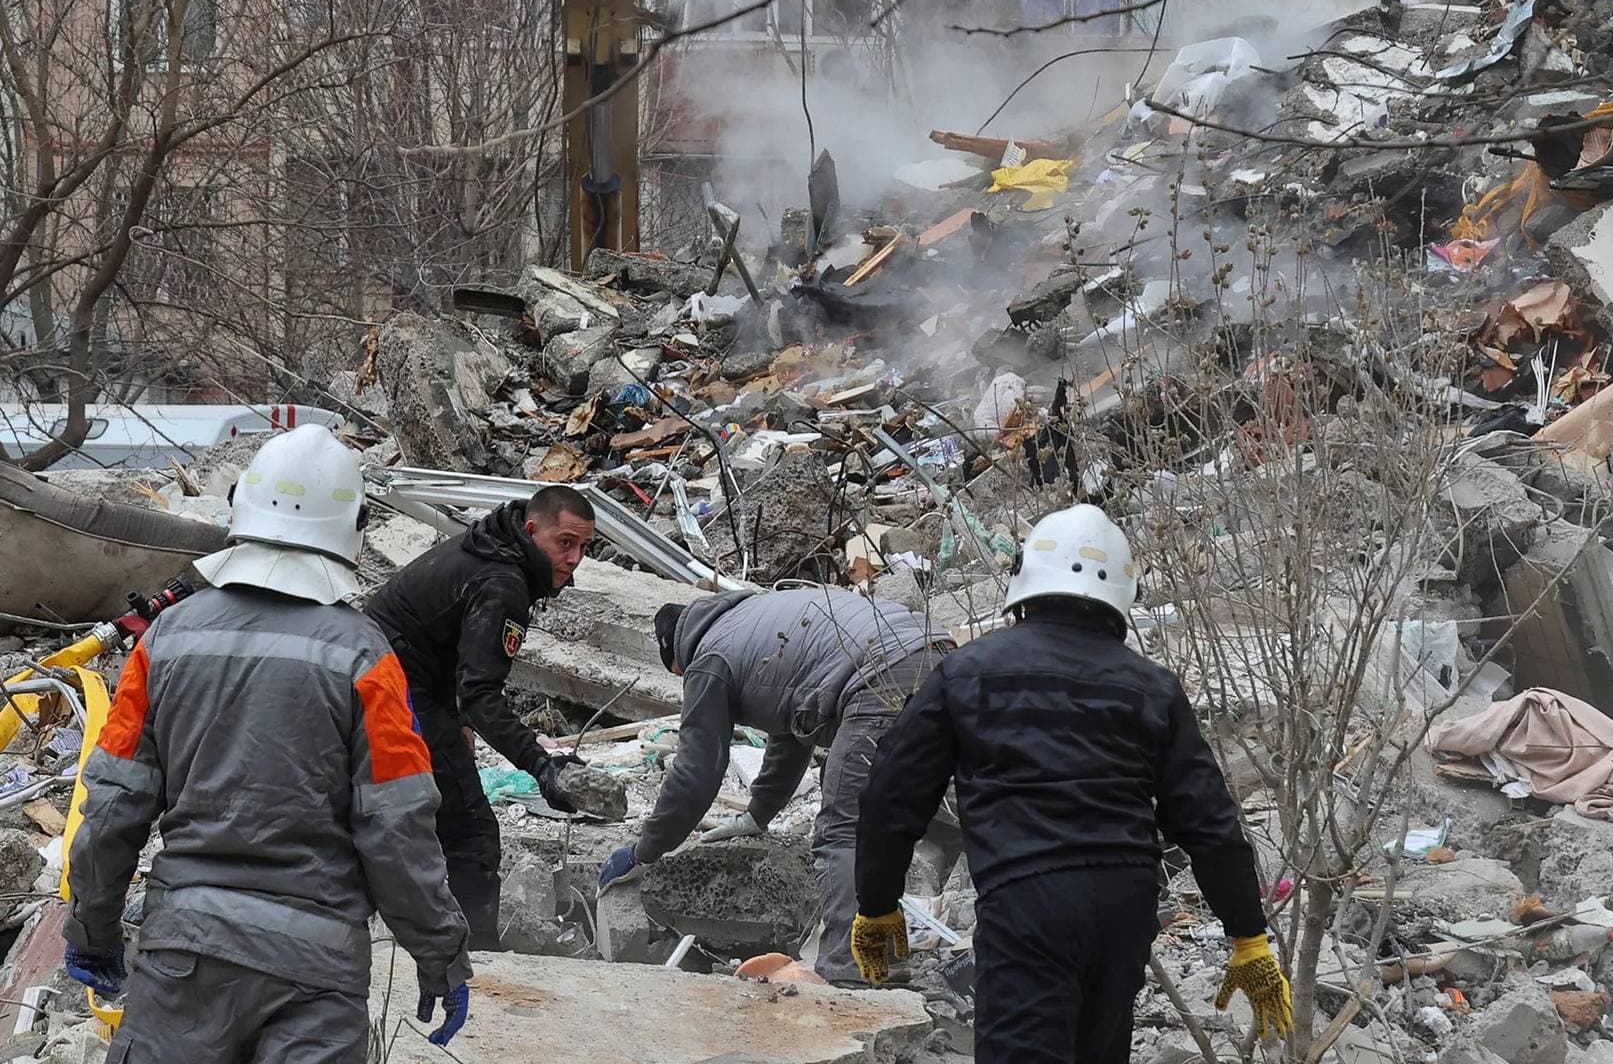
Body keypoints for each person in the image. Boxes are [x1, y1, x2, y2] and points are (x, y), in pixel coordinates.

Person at [64, 424, 472, 1061]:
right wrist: (439, 952)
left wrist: (94, 928)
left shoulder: (163, 641)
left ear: (240, 506)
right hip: (317, 975)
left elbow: (113, 806)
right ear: (353, 525)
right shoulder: (366, 657)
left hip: (184, 955)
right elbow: (397, 830)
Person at [850, 505, 1292, 1062]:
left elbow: (893, 794)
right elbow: (1208, 821)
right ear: (1123, 593)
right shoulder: (1152, 688)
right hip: (1126, 906)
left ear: (1025, 578)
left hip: (1027, 902)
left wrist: (877, 902)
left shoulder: (967, 673)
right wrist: (1247, 935)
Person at [598, 588, 953, 983]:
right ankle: (887, 951)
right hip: (937, 651)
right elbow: (791, 730)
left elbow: (696, 772)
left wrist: (642, 852)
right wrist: (758, 814)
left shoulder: (707, 658)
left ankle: (847, 971)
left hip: (881, 674)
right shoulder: (753, 623)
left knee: (843, 831)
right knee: (898, 818)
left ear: (677, 660)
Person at [365, 485, 599, 950]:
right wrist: (542, 766)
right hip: (393, 686)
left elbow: (450, 642)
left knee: (428, 811)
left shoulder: (493, 543)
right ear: (533, 531)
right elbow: (481, 693)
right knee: (471, 831)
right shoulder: (503, 584)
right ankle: (476, 961)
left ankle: (423, 929)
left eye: (583, 547)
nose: (574, 559)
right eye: (565, 543)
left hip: (386, 670)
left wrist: (459, 720)